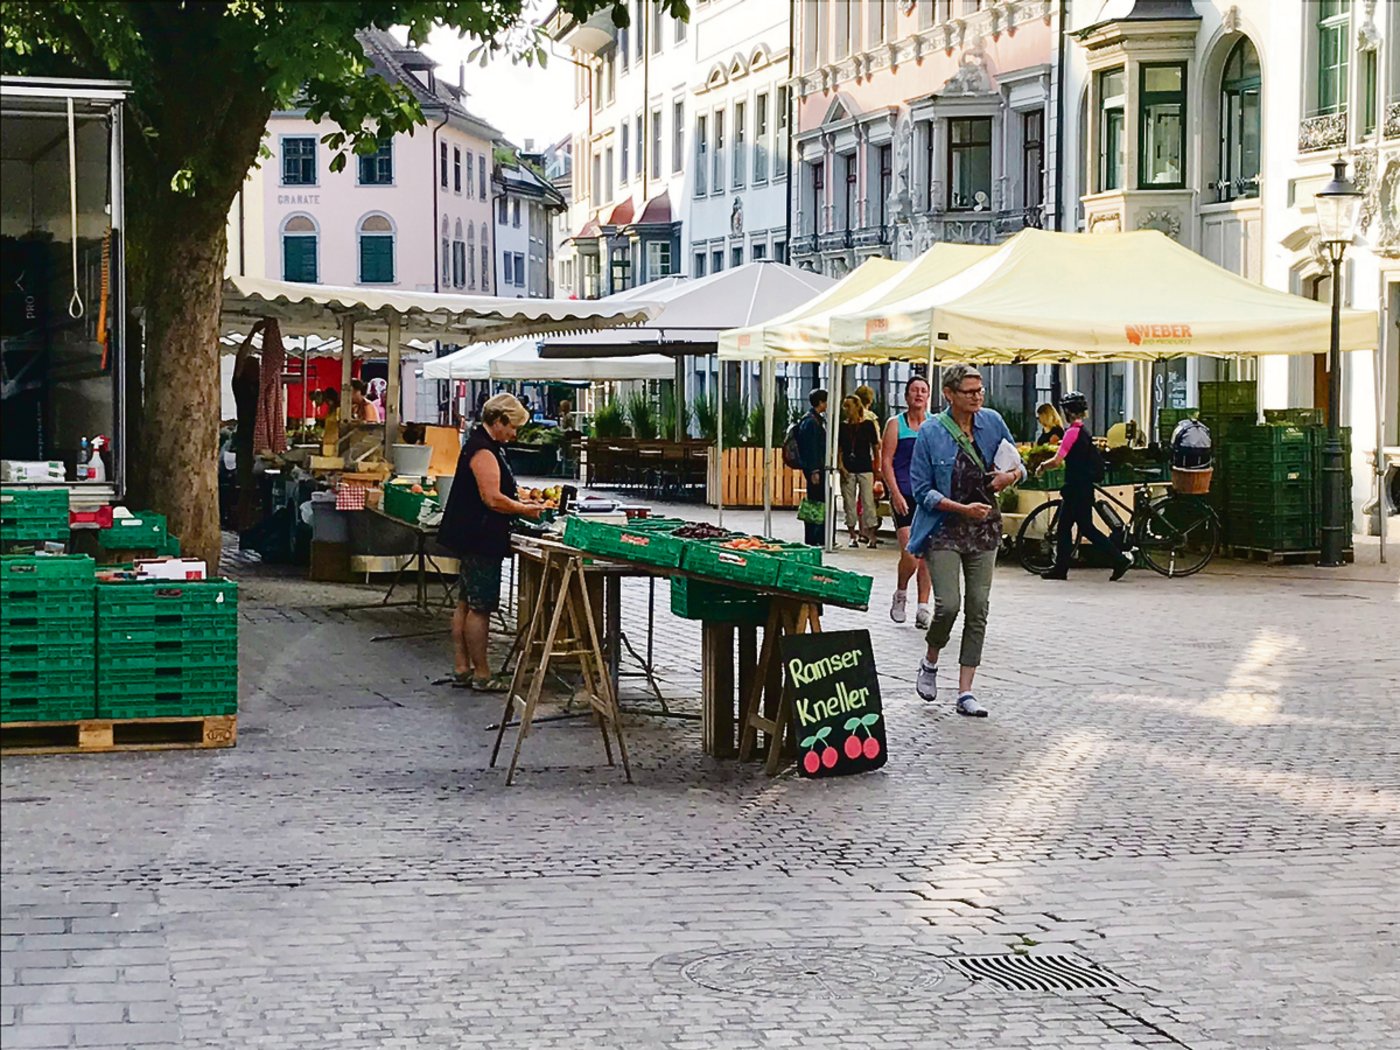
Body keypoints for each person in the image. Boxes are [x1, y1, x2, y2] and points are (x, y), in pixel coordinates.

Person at [907, 364, 1024, 718]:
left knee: (978, 607)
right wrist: (959, 507)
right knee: (949, 605)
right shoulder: (931, 432)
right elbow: (922, 490)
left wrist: (1009, 477)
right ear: (949, 394)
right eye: (970, 391)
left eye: (980, 390)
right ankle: (930, 660)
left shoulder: (993, 422)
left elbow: (1019, 465)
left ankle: (965, 691)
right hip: (943, 527)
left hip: (984, 528)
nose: (978, 396)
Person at [437, 393, 545, 691]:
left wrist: (518, 496)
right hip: (480, 535)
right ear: (498, 421)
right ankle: (482, 674)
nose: (514, 434)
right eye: (512, 427)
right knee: (480, 606)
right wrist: (525, 509)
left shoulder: (480, 444)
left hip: (468, 534)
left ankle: (462, 668)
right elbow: (492, 498)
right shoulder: (484, 450)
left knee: (465, 601)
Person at [1035, 391, 1134, 582]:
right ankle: (1063, 568)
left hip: (1076, 487)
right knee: (1075, 527)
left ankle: (1117, 559)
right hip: (1082, 486)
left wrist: (1042, 466)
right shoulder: (1084, 432)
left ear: (1068, 412)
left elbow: (1058, 460)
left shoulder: (1072, 433)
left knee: (1073, 528)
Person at [880, 375, 933, 627]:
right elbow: (886, 461)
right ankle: (901, 592)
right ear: (906, 395)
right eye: (914, 390)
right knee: (911, 552)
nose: (919, 395)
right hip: (904, 494)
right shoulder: (895, 424)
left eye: (923, 390)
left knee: (929, 555)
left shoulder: (935, 425)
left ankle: (923, 607)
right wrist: (895, 493)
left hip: (930, 497)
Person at [838, 395, 880, 548]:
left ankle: (871, 535)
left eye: (848, 406)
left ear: (856, 407)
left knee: (868, 502)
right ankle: (852, 534)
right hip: (848, 468)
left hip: (865, 467)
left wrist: (877, 467)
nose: (846, 410)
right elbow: (839, 449)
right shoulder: (843, 427)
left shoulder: (868, 425)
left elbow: (875, 448)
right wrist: (841, 466)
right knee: (848, 502)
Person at [796, 388, 828, 547]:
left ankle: (816, 536)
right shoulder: (811, 422)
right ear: (821, 402)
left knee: (817, 501)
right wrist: (815, 470)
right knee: (817, 502)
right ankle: (815, 536)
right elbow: (811, 448)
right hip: (815, 469)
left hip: (815, 468)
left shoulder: (811, 419)